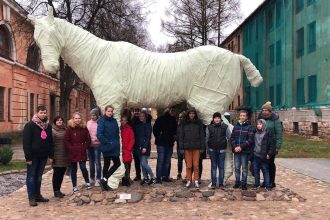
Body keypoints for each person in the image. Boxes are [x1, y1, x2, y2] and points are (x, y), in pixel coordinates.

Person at [23, 105, 54, 206]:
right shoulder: (30, 125)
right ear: (37, 113)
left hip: (43, 156)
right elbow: (26, 143)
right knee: (31, 177)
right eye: (41, 112)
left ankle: (37, 195)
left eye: (45, 112)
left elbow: (50, 142)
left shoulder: (48, 126)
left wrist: (51, 155)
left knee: (39, 177)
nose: (43, 114)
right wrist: (28, 157)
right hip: (33, 157)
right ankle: (31, 197)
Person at [64, 112, 92, 193]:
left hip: (82, 151)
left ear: (81, 119)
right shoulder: (70, 129)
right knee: (74, 170)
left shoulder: (84, 128)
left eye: (79, 118)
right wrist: (71, 148)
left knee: (83, 168)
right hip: (73, 152)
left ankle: (87, 182)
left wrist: (84, 147)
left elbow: (88, 140)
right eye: (76, 118)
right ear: (73, 119)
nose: (77, 120)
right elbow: (66, 140)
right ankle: (74, 186)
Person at [178, 107, 205, 189]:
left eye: (193, 113)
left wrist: (202, 147)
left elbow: (202, 135)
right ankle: (189, 180)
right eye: (190, 113)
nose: (192, 115)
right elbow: (181, 136)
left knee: (196, 165)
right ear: (188, 114)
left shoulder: (199, 122)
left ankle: (196, 181)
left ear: (195, 114)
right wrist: (181, 147)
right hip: (187, 148)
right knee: (189, 166)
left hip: (197, 147)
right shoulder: (183, 123)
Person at [258, 101, 282, 188]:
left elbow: (279, 133)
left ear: (270, 111)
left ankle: (272, 181)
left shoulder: (275, 120)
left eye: (266, 110)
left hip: (272, 146)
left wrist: (277, 146)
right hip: (262, 146)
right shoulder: (260, 118)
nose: (264, 111)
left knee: (271, 164)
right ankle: (266, 180)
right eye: (263, 110)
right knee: (263, 164)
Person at [97, 105, 121, 191]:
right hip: (107, 146)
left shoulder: (114, 121)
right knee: (106, 165)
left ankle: (104, 180)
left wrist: (117, 143)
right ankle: (105, 184)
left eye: (111, 111)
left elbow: (117, 133)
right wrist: (107, 142)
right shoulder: (102, 121)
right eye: (108, 111)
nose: (110, 113)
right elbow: (99, 134)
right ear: (105, 111)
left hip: (114, 147)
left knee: (117, 163)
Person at [230, 110, 254, 190]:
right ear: (239, 116)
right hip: (236, 151)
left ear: (246, 117)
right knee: (237, 168)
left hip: (244, 151)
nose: (242, 117)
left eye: (244, 116)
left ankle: (244, 184)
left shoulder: (249, 127)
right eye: (241, 115)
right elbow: (232, 138)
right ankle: (237, 182)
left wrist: (241, 147)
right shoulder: (236, 126)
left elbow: (250, 140)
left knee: (244, 168)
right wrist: (235, 147)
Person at [205, 112, 230, 189]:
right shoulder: (209, 127)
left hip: (222, 150)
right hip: (212, 150)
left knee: (221, 167)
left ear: (220, 119)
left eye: (218, 118)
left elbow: (229, 136)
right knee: (213, 167)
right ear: (213, 119)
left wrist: (224, 143)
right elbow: (207, 138)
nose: (217, 119)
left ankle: (221, 183)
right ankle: (213, 183)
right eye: (215, 118)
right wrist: (207, 150)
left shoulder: (225, 127)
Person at [153, 107, 177, 183]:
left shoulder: (173, 120)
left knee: (167, 160)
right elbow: (155, 129)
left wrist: (173, 138)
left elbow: (175, 131)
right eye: (171, 110)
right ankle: (158, 177)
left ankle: (166, 176)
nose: (172, 112)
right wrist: (159, 137)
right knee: (160, 160)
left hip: (169, 143)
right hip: (161, 143)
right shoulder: (160, 119)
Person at [134, 111, 156, 185]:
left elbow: (148, 137)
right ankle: (146, 178)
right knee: (142, 163)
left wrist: (145, 147)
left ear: (145, 117)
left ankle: (153, 177)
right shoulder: (137, 125)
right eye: (140, 116)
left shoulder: (148, 126)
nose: (141, 117)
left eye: (142, 116)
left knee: (144, 163)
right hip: (138, 147)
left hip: (145, 147)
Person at [253, 119, 276, 190]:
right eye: (257, 124)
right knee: (256, 171)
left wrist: (269, 154)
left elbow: (272, 145)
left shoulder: (268, 134)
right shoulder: (255, 133)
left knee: (265, 170)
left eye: (260, 124)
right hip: (256, 155)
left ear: (264, 125)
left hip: (264, 156)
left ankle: (267, 185)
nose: (259, 126)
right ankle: (256, 185)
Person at [52, 116, 68, 198]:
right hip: (57, 155)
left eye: (61, 120)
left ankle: (59, 189)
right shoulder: (53, 131)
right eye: (58, 120)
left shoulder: (65, 129)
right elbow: (51, 144)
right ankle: (56, 190)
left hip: (65, 155)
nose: (59, 121)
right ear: (55, 121)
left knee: (62, 173)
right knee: (57, 173)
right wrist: (51, 156)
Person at [87, 108, 101, 186]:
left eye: (94, 115)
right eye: (91, 115)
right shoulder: (88, 123)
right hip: (90, 145)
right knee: (91, 162)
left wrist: (97, 139)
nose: (92, 117)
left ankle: (99, 178)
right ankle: (92, 178)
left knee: (97, 162)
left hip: (97, 145)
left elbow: (101, 132)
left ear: (97, 115)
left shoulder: (100, 123)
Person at [120, 115, 135, 186]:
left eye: (124, 120)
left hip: (127, 150)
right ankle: (125, 178)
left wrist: (129, 148)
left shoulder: (129, 129)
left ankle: (127, 178)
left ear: (126, 121)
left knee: (127, 164)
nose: (123, 122)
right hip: (121, 149)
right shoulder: (119, 129)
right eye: (122, 120)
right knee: (122, 165)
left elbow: (132, 139)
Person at [131, 108, 142, 181]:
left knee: (143, 161)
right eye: (135, 111)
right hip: (134, 144)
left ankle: (146, 175)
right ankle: (138, 176)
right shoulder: (132, 121)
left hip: (141, 143)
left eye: (138, 111)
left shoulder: (142, 119)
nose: (136, 112)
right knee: (136, 161)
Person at [176, 111, 186, 180]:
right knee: (179, 160)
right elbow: (176, 134)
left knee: (187, 160)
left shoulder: (187, 125)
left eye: (181, 117)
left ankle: (188, 174)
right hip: (179, 145)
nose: (180, 118)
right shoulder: (178, 125)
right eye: (179, 117)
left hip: (186, 145)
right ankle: (179, 173)